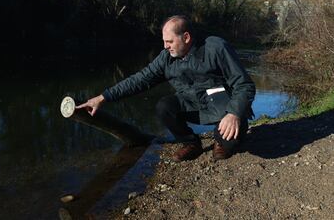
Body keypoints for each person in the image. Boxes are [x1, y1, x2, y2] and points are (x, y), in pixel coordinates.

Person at [76, 15, 256, 162]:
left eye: (169, 41)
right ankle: (190, 143)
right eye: (164, 41)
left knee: (229, 142)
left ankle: (221, 140)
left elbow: (244, 85)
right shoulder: (166, 58)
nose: (165, 46)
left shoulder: (215, 47)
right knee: (164, 106)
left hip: (224, 108)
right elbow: (139, 80)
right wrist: (102, 97)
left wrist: (234, 114)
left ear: (186, 37)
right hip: (194, 105)